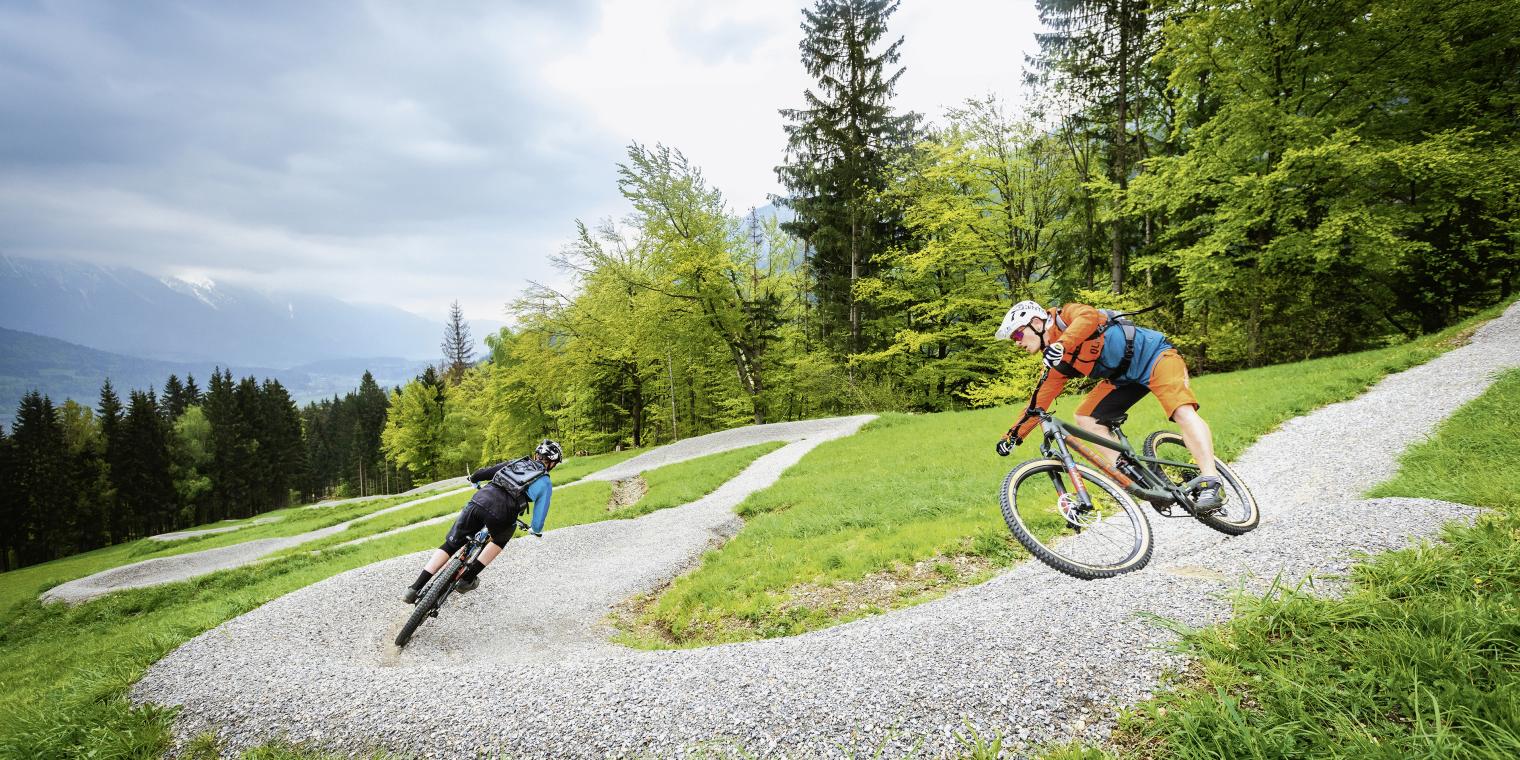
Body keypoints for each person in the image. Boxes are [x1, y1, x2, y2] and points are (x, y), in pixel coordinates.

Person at [992, 300, 1225, 510]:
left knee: (1181, 410)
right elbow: (1037, 403)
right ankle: (1138, 478)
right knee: (1085, 418)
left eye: (1018, 336)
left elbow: (1089, 317)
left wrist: (1062, 344)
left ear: (1035, 322)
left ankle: (1210, 481)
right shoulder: (1056, 361)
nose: (1017, 343)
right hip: (1122, 380)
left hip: (1156, 357)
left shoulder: (1067, 317)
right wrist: (1012, 437)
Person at [402, 439, 563, 603]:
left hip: (479, 500)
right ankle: (467, 579)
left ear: (536, 455)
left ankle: (414, 588)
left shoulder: (517, 463)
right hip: (503, 514)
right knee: (499, 540)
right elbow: (539, 518)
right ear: (552, 464)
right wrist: (535, 530)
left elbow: (482, 473)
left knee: (451, 545)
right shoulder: (545, 482)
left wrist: (474, 480)